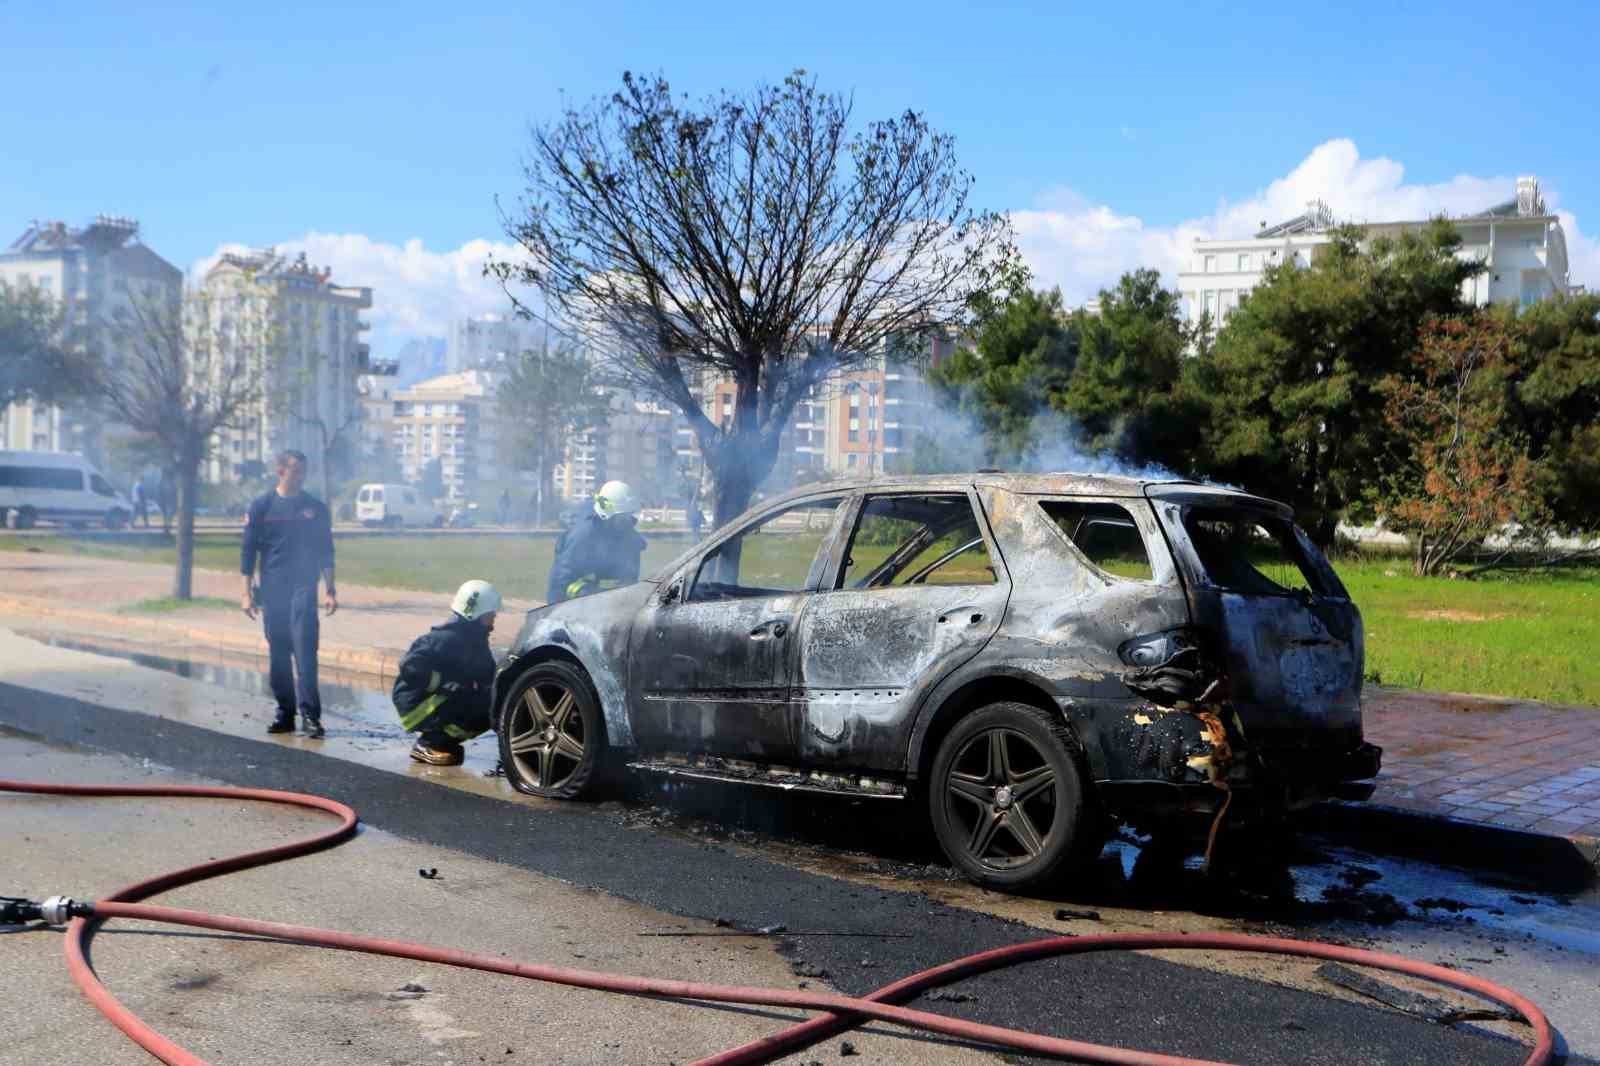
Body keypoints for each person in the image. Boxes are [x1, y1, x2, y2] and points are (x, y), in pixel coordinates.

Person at [240, 450, 337, 738]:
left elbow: (326, 551)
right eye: (296, 470)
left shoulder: (315, 508)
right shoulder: (262, 506)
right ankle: (285, 714)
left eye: (304, 470)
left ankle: (310, 716)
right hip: (273, 589)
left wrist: (330, 590)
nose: (301, 476)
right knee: (279, 654)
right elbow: (248, 552)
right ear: (280, 471)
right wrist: (246, 594)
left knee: (305, 652)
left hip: (304, 588)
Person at [393, 579, 500, 765]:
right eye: (491, 614)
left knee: (492, 703)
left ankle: (445, 742)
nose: (494, 619)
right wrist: (447, 685)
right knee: (484, 706)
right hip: (418, 706)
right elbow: (409, 667)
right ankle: (429, 743)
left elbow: (488, 677)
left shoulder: (476, 641)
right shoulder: (444, 639)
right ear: (476, 615)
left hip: (439, 700)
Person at [546, 480, 648, 604]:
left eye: (628, 514)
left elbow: (630, 579)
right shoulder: (582, 537)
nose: (627, 520)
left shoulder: (629, 538)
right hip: (577, 607)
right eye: (622, 516)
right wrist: (590, 594)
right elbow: (560, 583)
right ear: (608, 514)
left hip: (615, 607)